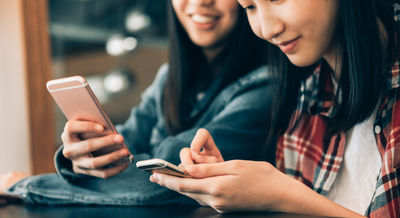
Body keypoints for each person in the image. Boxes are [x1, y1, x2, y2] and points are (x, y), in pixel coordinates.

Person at [0, 0, 276, 205]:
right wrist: (84, 158)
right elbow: (125, 146)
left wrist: (27, 185)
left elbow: (166, 182)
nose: (200, 1)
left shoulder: (266, 85)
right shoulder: (171, 76)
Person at [149, 0, 400, 218]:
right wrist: (239, 190)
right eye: (250, 7)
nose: (267, 29)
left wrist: (281, 195)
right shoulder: (306, 94)